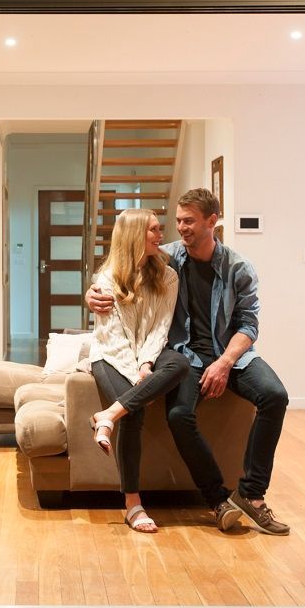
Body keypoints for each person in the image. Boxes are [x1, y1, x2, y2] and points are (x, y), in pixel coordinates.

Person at [86, 188, 291, 536]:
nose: (180, 228)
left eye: (189, 221)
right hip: (186, 355)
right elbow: (125, 262)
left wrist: (225, 362)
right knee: (179, 415)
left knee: (275, 396)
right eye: (178, 220)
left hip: (232, 355)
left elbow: (249, 325)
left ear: (212, 222)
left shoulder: (239, 268)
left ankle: (252, 496)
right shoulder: (168, 258)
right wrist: (91, 292)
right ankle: (217, 499)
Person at [86, 208, 190, 534]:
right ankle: (133, 505)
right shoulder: (106, 280)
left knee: (181, 364)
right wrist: (137, 375)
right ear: (134, 235)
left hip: (148, 354)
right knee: (134, 414)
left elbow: (160, 328)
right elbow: (113, 339)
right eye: (154, 230)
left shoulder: (168, 276)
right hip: (109, 357)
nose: (162, 235)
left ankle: (106, 416)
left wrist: (147, 363)